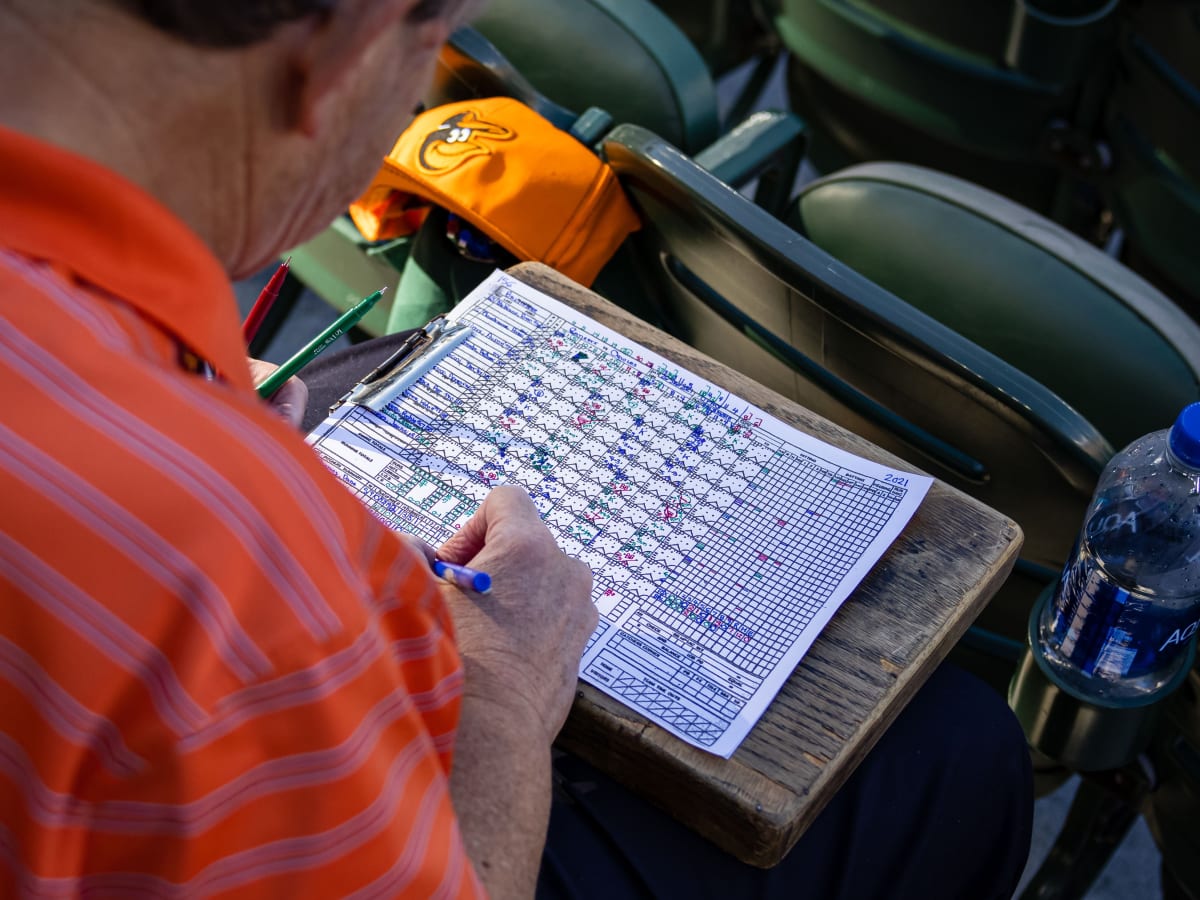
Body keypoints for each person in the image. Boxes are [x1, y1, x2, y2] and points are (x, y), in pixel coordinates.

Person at [0, 1, 1032, 897]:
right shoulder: (215, 548)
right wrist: (503, 689)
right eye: (428, 51)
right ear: (347, 49)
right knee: (956, 758)